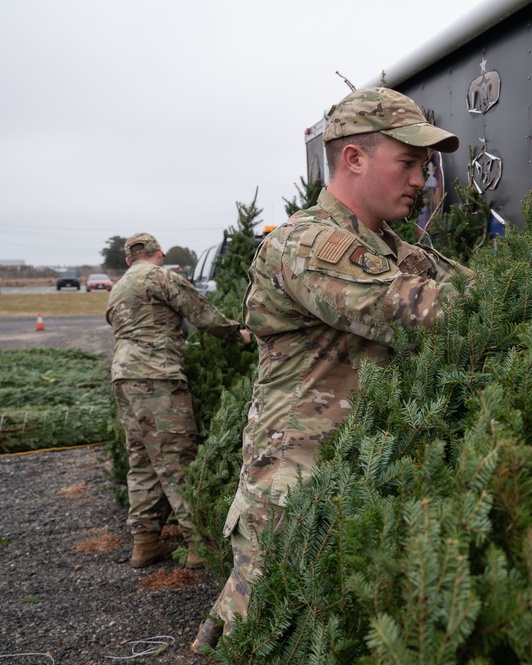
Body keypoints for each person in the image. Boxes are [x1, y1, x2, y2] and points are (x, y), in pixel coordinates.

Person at [192, 87, 474, 652]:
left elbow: (462, 289)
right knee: (269, 639)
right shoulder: (307, 246)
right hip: (295, 492)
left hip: (357, 475)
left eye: (424, 164)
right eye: (409, 162)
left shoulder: (397, 249)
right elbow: (422, 311)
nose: (422, 178)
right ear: (353, 158)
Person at [107, 233, 251, 570]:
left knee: (141, 460)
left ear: (129, 260)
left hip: (123, 377)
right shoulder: (161, 277)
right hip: (157, 377)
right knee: (177, 461)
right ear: (159, 253)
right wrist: (238, 334)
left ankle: (144, 545)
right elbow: (201, 313)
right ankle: (199, 545)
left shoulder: (117, 288)